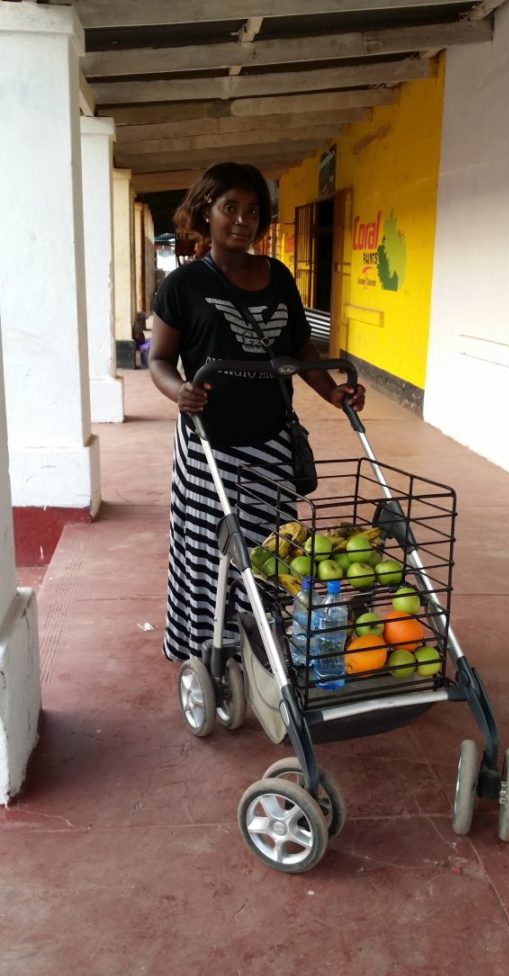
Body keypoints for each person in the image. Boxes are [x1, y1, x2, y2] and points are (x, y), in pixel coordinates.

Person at [149, 162, 365, 662]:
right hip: (210, 441)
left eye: (252, 211)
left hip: (271, 440)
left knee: (272, 551)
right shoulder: (181, 285)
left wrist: (333, 393)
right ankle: (207, 648)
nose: (242, 220)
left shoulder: (278, 277)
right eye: (230, 208)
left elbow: (300, 350)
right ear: (207, 211)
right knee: (211, 551)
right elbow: (158, 360)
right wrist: (179, 390)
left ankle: (266, 646)